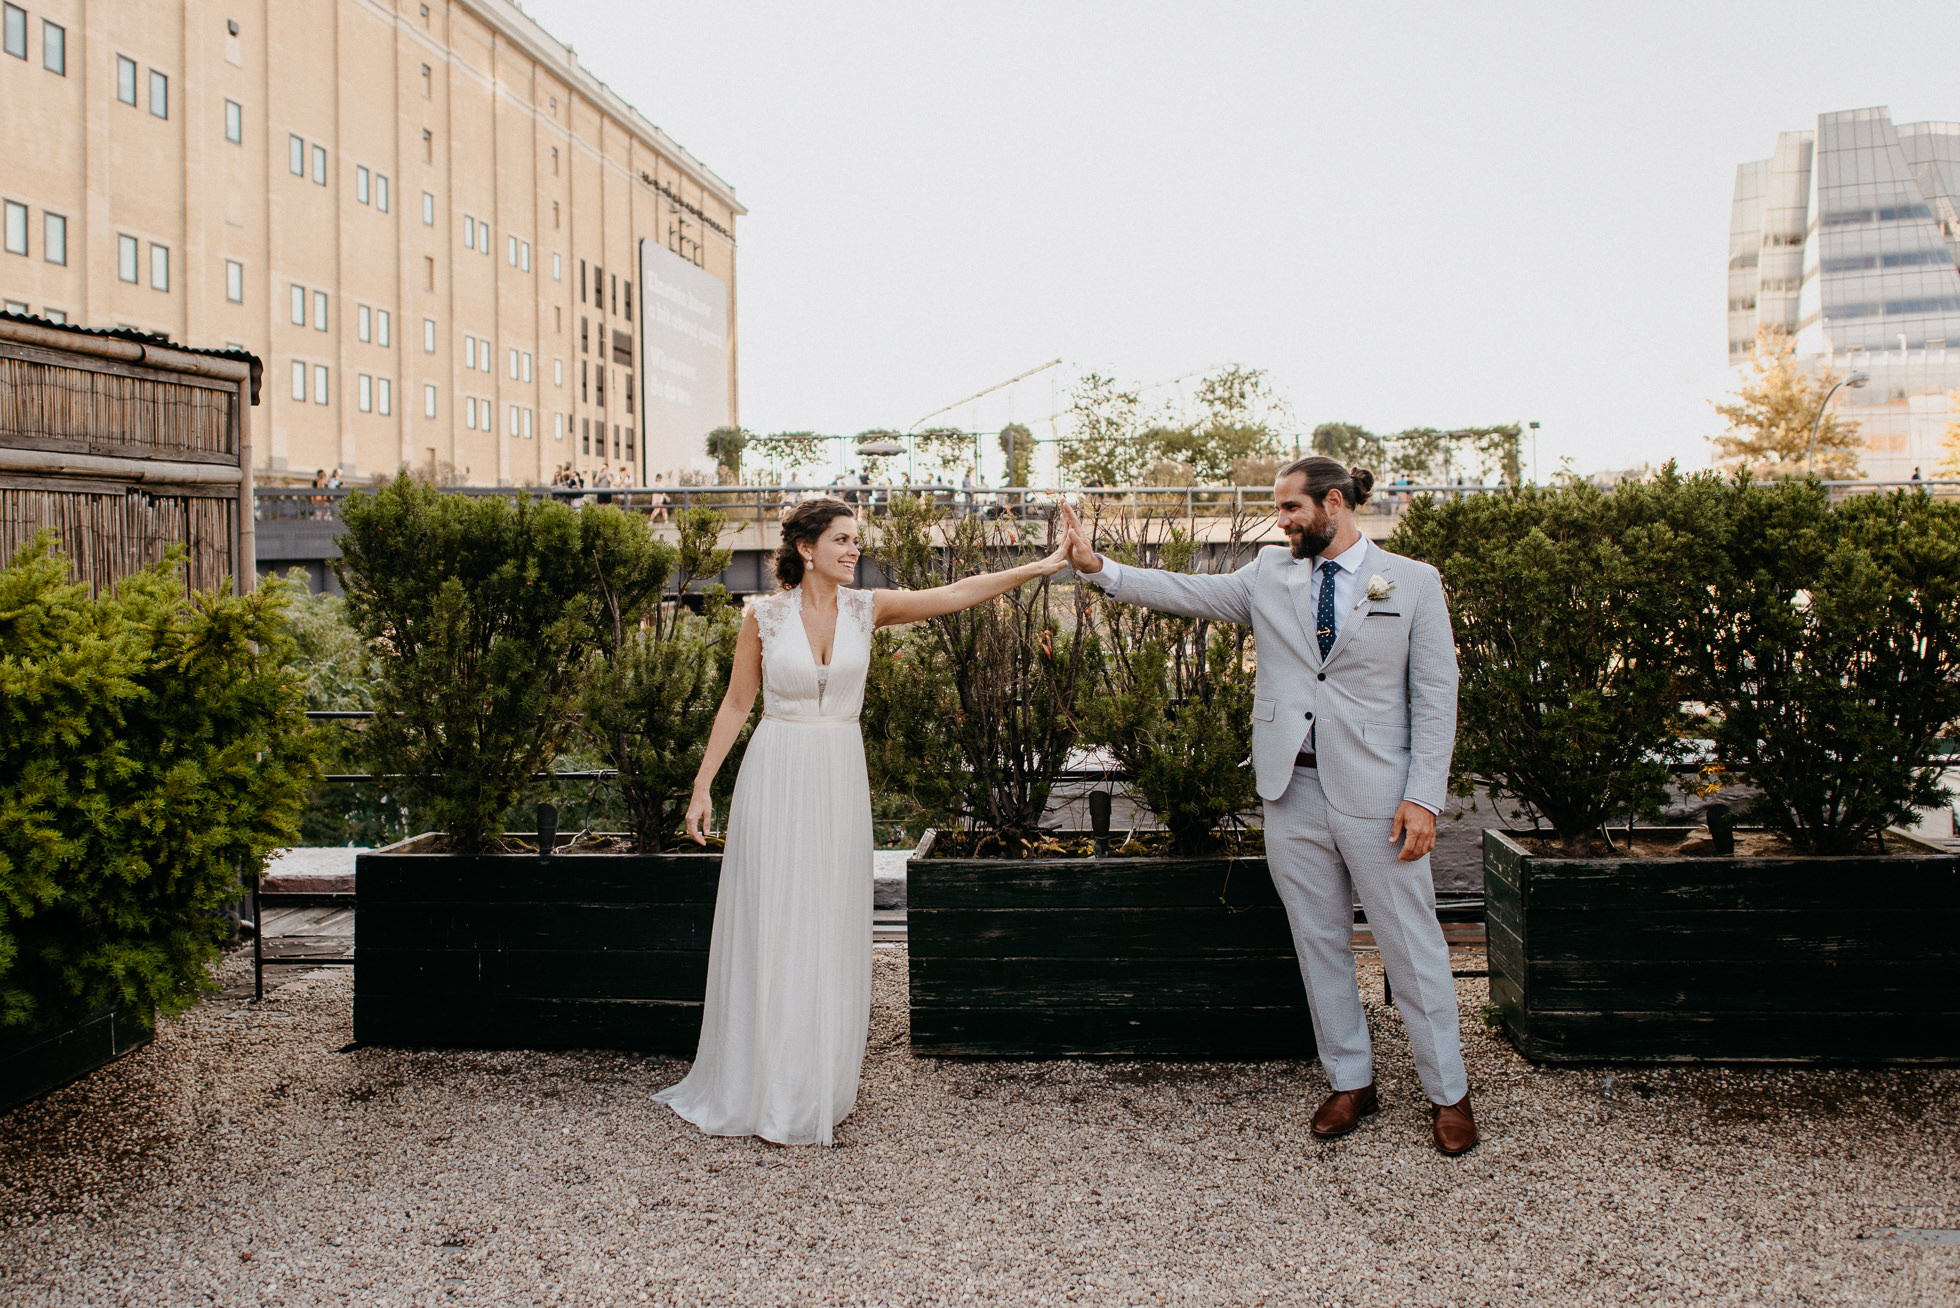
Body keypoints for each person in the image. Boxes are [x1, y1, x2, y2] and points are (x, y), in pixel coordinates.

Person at [1058, 456, 1476, 1156]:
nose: (1279, 522)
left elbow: (1437, 697)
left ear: (1334, 504)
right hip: (1292, 789)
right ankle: (1351, 1081)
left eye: (1290, 509)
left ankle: (1449, 1094)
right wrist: (1100, 566)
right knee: (1318, 943)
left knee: (1413, 946)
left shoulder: (1412, 581)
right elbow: (1187, 591)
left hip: (1380, 795)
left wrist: (1422, 797)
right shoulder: (1268, 574)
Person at [660, 498, 1074, 1146]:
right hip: (778, 770)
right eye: (843, 540)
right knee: (775, 918)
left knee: (825, 919)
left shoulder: (868, 608)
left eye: (857, 540)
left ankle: (815, 1082)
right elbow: (737, 702)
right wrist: (702, 786)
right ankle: (761, 1080)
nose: (855, 550)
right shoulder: (761, 617)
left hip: (837, 775)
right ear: (806, 548)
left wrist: (1039, 567)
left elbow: (959, 592)